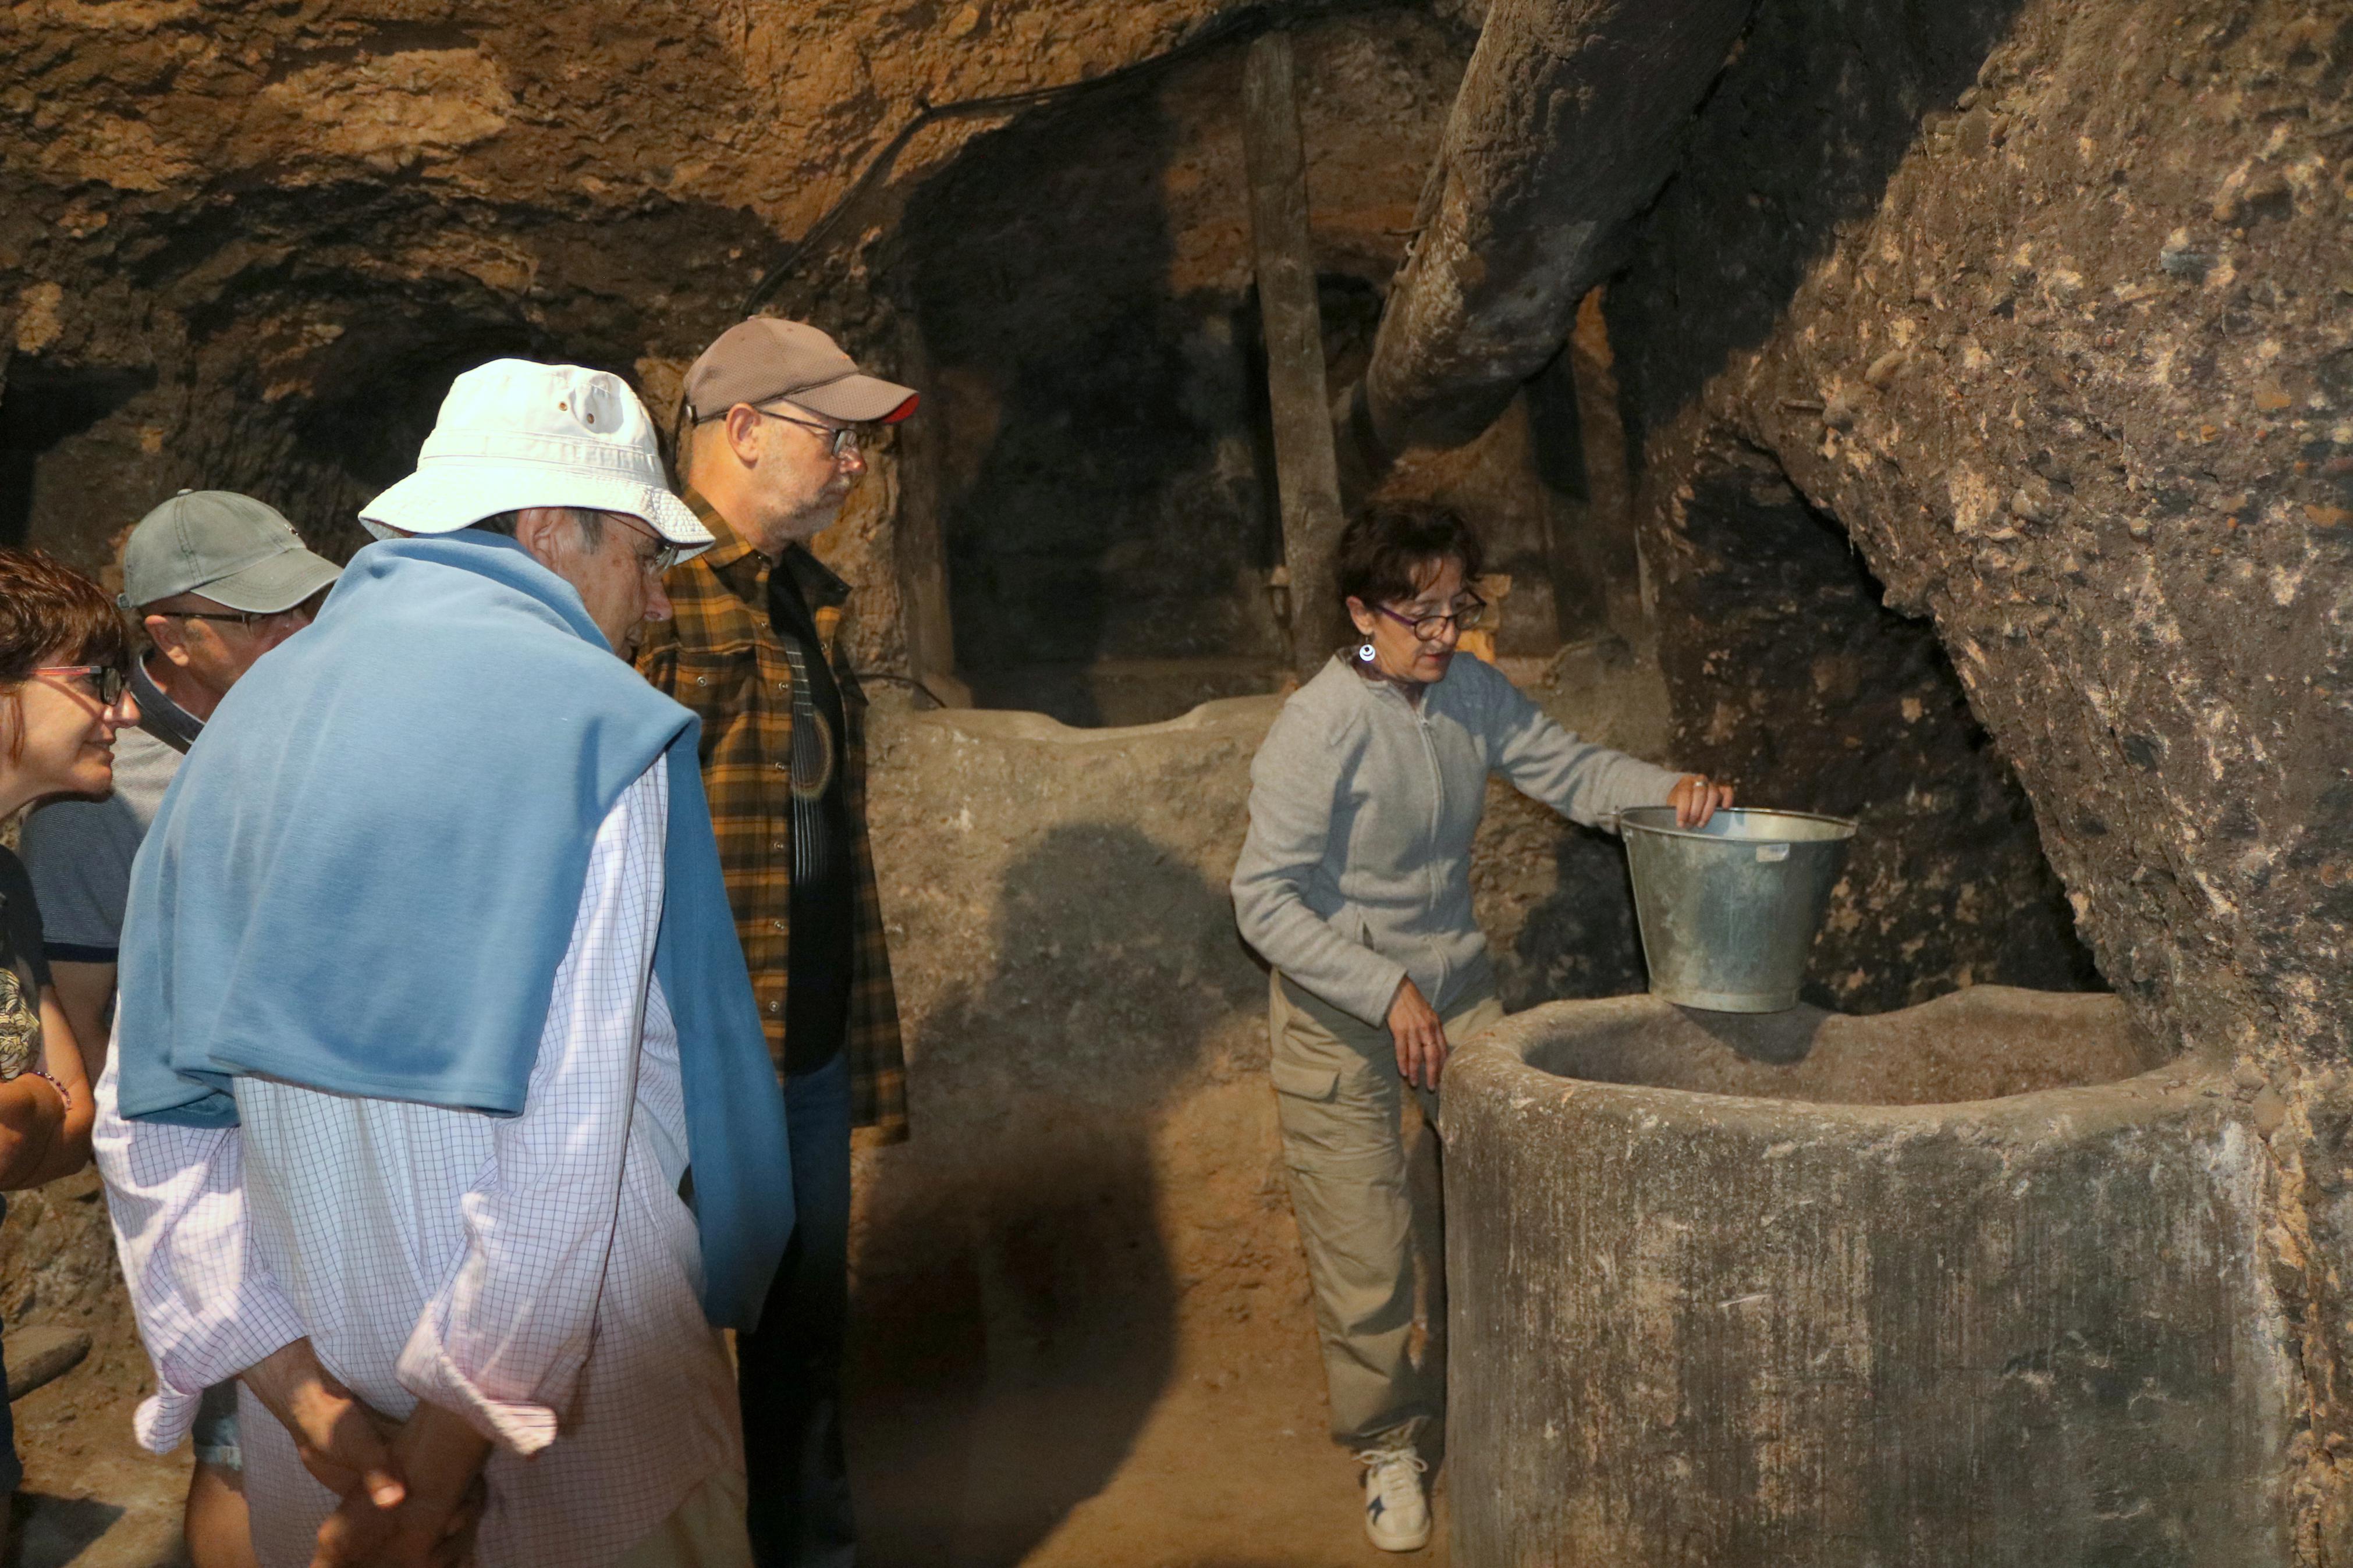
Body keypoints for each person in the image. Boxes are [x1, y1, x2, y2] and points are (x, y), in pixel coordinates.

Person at [93, 359, 796, 1568]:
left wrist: (315, 1412)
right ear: (551, 528)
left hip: (322, 1431)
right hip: (583, 1421)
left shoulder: (240, 725)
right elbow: (573, 1136)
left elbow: (150, 1122)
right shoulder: (589, 720)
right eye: (647, 557)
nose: (660, 602)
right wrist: (432, 1473)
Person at [1230, 502, 1732, 1553]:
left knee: (1496, 1208)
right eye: (1419, 614)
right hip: (1339, 1016)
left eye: (1459, 608)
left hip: (1454, 994)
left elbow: (1572, 769)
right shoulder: (1318, 727)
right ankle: (1388, 1446)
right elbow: (1264, 902)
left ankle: (1498, 1401)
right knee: (1367, 1249)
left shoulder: (1468, 692)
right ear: (1361, 614)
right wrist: (1381, 988)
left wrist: (1672, 794)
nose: (1445, 633)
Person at [636, 316, 916, 1567]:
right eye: (833, 435)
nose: (854, 463)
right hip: (686, 1055)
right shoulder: (649, 594)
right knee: (662, 1355)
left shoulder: (801, 598)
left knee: (803, 1346)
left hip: (800, 1039)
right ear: (742, 430)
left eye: (861, 442)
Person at [21, 490, 339, 1568]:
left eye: (303, 603)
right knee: (243, 1437)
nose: (294, 629)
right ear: (170, 635)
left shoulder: (317, 716)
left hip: (331, 1137)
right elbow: (81, 1026)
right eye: (258, 615)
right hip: (219, 1158)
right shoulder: (98, 801)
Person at [0, 549, 122, 1523]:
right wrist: (36, 1101)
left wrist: (30, 1108)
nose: (122, 712)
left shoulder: (7, 885)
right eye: (95, 680)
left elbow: (75, 1128)